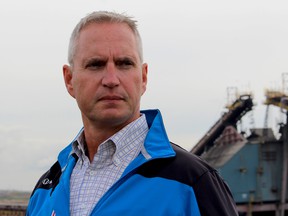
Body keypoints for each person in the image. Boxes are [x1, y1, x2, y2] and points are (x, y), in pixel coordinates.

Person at [26, 11, 238, 216]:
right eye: (95, 65)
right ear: (69, 80)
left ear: (143, 77)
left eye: (124, 64)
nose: (111, 79)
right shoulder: (46, 190)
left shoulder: (192, 182)